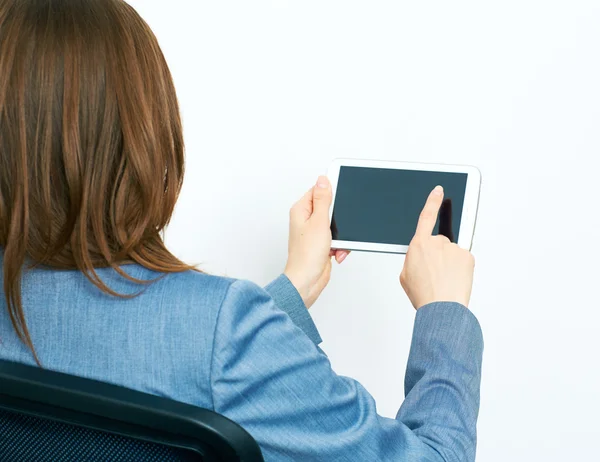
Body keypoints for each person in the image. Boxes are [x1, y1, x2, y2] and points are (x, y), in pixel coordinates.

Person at [0, 0, 483, 461]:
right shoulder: (225, 331)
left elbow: (175, 367)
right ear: (143, 133)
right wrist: (443, 311)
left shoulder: (224, 337)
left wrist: (293, 290)